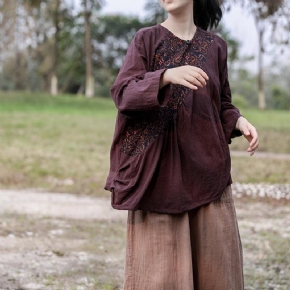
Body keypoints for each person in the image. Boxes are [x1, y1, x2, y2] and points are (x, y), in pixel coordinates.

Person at [105, 0, 259, 289]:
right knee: (160, 277)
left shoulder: (216, 46)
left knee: (217, 275)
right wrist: (164, 76)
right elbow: (123, 94)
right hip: (160, 176)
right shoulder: (146, 39)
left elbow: (222, 102)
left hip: (208, 174)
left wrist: (239, 121)